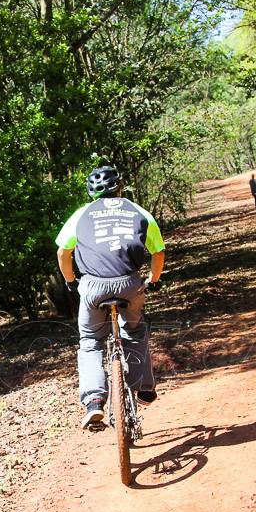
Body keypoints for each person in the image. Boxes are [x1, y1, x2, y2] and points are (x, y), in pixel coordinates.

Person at [55, 166, 165, 428]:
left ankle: (94, 402)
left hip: (93, 286)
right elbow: (158, 252)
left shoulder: (81, 214)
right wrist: (154, 280)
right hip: (129, 282)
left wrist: (71, 282)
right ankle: (145, 389)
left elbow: (62, 252)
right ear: (120, 187)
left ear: (91, 193)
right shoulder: (139, 212)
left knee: (91, 340)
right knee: (135, 332)